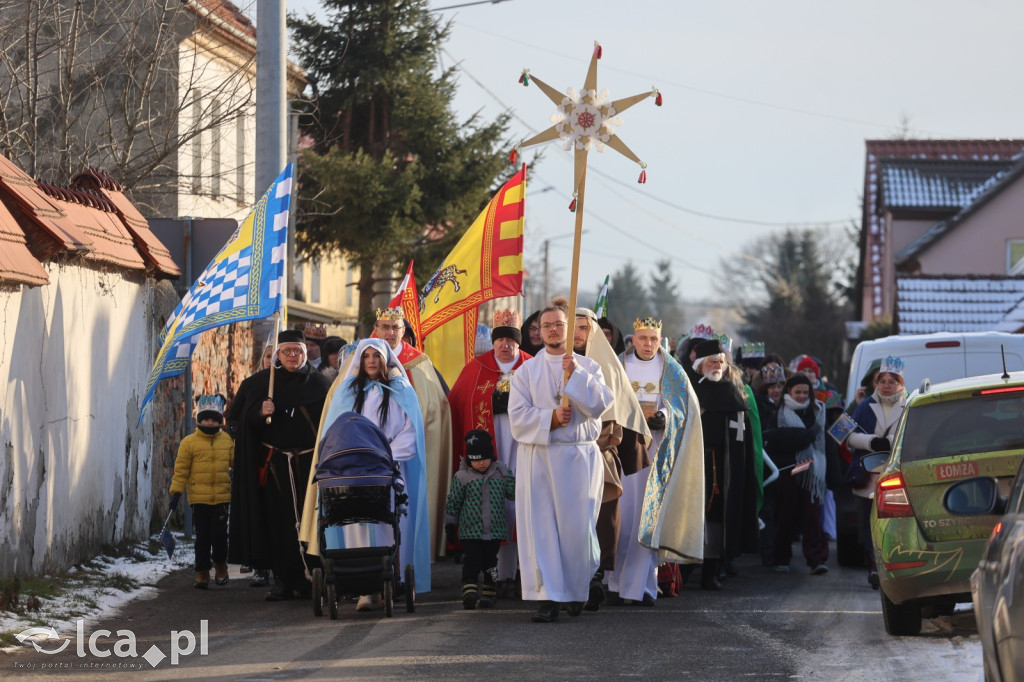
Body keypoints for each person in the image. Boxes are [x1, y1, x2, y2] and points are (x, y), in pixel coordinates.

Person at [299, 338, 431, 607]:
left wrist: (384, 457)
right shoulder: (347, 392)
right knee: (355, 523)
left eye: (376, 356)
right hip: (354, 472)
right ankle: (363, 588)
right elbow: (335, 432)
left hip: (389, 470)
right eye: (367, 356)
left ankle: (392, 582)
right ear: (360, 360)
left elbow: (410, 432)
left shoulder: (401, 390)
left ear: (385, 359)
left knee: (390, 524)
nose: (371, 360)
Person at [508, 298, 614, 622]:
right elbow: (517, 418)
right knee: (542, 528)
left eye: (559, 325)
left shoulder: (589, 367)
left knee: (577, 529)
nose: (553, 330)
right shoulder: (526, 371)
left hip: (578, 458)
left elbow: (600, 405)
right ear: (538, 332)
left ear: (569, 330)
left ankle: (576, 589)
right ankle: (549, 597)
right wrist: (550, 418)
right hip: (539, 457)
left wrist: (575, 376)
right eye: (547, 326)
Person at [227, 329, 332, 601]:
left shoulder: (320, 385)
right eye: (287, 351)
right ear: (278, 355)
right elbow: (235, 422)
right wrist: (259, 414)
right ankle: (284, 580)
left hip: (310, 465)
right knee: (280, 523)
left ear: (305, 352)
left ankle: (314, 577)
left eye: (298, 351)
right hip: (275, 467)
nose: (293, 356)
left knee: (310, 519)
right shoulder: (259, 384)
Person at [615, 316, 705, 605]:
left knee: (647, 518)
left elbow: (683, 408)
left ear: (660, 340)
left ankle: (644, 587)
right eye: (643, 338)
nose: (648, 344)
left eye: (653, 339)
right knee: (621, 519)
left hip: (656, 453)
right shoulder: (619, 365)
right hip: (622, 449)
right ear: (634, 338)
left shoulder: (672, 370)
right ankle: (615, 584)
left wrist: (663, 417)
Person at [447, 309, 532, 594]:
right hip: (490, 449)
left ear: (518, 342)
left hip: (523, 445)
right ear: (493, 341)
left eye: (511, 340)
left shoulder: (532, 366)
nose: (505, 345)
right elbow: (458, 401)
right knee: (494, 502)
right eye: (500, 339)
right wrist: (488, 403)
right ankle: (497, 574)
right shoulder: (476, 367)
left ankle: (523, 571)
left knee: (521, 499)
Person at [572, 308, 652, 609]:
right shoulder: (551, 362)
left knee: (600, 519)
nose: (578, 334)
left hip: (597, 453)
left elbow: (621, 412)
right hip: (559, 453)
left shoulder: (608, 366)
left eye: (584, 327)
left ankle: (594, 577)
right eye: (574, 327)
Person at [373, 307, 453, 559]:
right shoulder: (363, 359)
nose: (389, 333)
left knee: (408, 508)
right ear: (376, 329)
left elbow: (435, 409)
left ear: (403, 332)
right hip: (370, 453)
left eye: (395, 328)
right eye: (385, 327)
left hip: (409, 455)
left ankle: (410, 561)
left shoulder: (419, 363)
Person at [690, 338, 758, 590]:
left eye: (720, 361)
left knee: (718, 517)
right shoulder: (691, 391)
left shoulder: (732, 392)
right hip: (694, 463)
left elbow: (742, 434)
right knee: (691, 514)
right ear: (700, 365)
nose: (718, 365)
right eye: (712, 361)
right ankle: (684, 570)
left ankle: (712, 571)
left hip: (723, 466)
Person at [848, 355, 907, 588]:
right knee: (868, 523)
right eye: (882, 381)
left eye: (892, 381)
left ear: (901, 383)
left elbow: (913, 435)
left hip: (895, 473)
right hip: (867, 474)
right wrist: (872, 442)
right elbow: (847, 437)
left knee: (892, 522)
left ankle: (893, 566)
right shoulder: (864, 406)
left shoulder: (909, 404)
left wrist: (892, 442)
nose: (886, 386)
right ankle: (873, 566)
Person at [764, 373, 829, 575]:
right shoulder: (778, 415)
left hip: (813, 475)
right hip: (787, 473)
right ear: (789, 392)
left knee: (813, 518)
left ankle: (817, 559)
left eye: (805, 392)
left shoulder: (818, 413)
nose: (801, 396)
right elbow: (772, 440)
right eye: (797, 392)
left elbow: (826, 445)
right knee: (786, 517)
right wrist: (802, 438)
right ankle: (781, 558)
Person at [444, 430, 516, 610]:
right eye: (475, 460)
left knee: (491, 563)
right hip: (470, 531)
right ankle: (469, 591)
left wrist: (513, 479)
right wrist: (450, 523)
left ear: (491, 456)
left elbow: (513, 493)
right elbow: (454, 501)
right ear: (469, 459)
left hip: (494, 531)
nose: (481, 463)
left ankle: (490, 593)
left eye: (484, 458)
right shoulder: (462, 477)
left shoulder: (501, 473)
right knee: (472, 561)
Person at [170, 394, 234, 589]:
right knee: (203, 537)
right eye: (206, 419)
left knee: (220, 536)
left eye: (214, 419)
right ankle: (202, 571)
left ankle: (221, 566)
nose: (210, 422)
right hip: (199, 499)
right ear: (199, 419)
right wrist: (176, 493)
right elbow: (181, 471)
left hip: (221, 498)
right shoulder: (189, 443)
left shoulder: (227, 441)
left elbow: (236, 462)